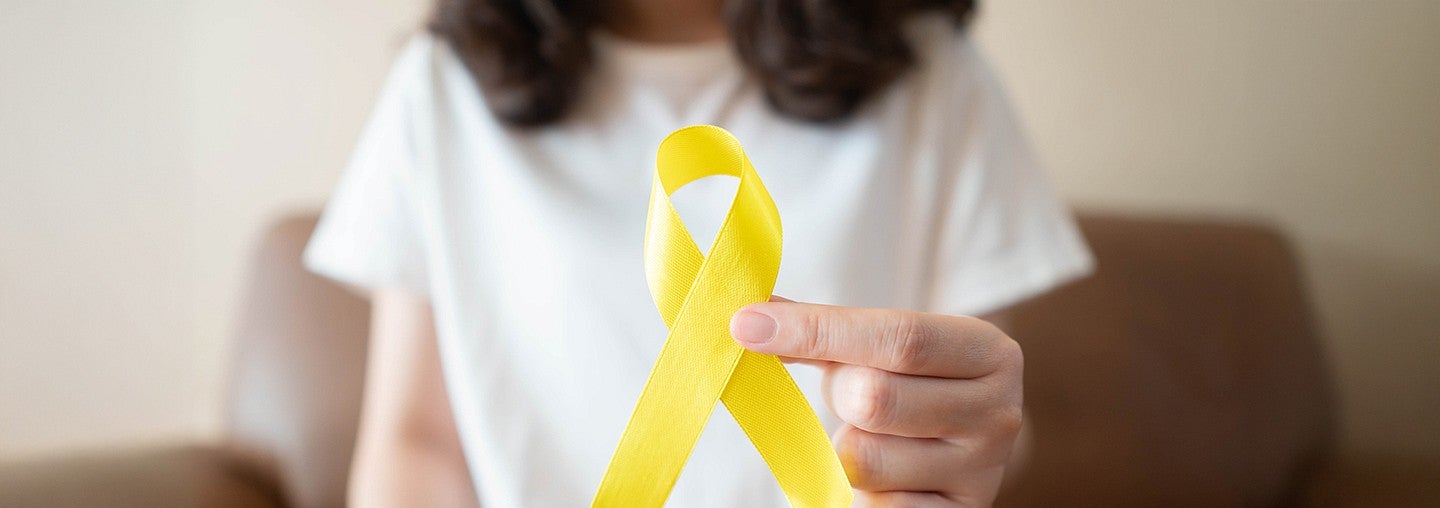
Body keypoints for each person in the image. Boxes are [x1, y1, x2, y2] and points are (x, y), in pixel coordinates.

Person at [304, 0, 1093, 506]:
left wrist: (957, 447)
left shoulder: (934, 76)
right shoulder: (439, 87)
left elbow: (981, 425)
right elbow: (416, 443)